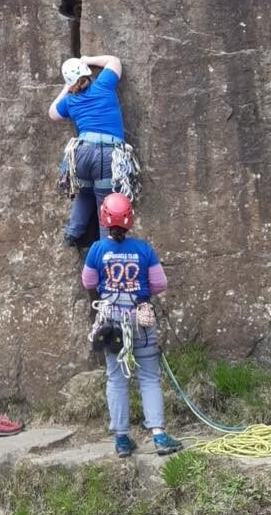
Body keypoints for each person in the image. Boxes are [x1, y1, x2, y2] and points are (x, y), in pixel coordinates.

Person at [82, 195, 183, 458]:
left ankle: (122, 439)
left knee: (116, 378)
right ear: (130, 219)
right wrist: (139, 291)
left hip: (112, 324)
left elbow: (88, 282)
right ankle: (159, 435)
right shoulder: (143, 249)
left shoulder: (97, 250)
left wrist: (108, 294)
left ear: (104, 217)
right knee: (149, 377)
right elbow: (160, 283)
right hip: (141, 319)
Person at [49, 53, 133, 248]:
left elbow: (52, 113)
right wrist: (88, 60)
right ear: (87, 73)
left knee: (85, 193)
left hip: (80, 153)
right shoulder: (103, 84)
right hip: (106, 154)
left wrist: (65, 88)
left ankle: (73, 232)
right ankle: (106, 248)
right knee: (106, 202)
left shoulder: (70, 100)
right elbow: (115, 61)